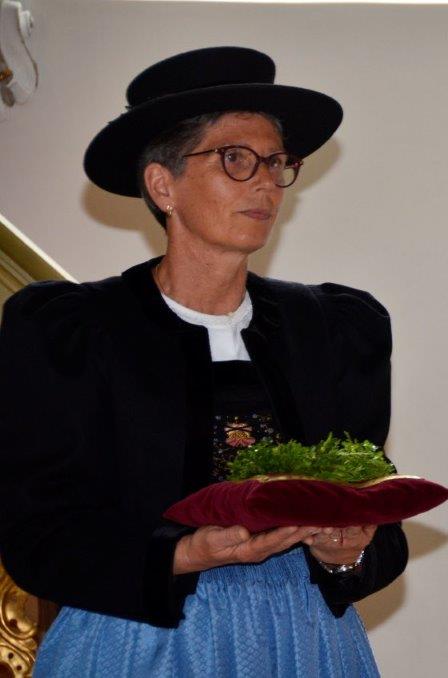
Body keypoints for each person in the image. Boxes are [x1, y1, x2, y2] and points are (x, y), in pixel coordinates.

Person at [0, 46, 407, 676]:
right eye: (235, 159)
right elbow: (38, 535)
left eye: (277, 162)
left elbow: (378, 515)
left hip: (303, 644)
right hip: (137, 644)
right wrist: (185, 553)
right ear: (163, 185)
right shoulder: (77, 331)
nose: (267, 183)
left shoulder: (331, 330)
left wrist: (346, 550)